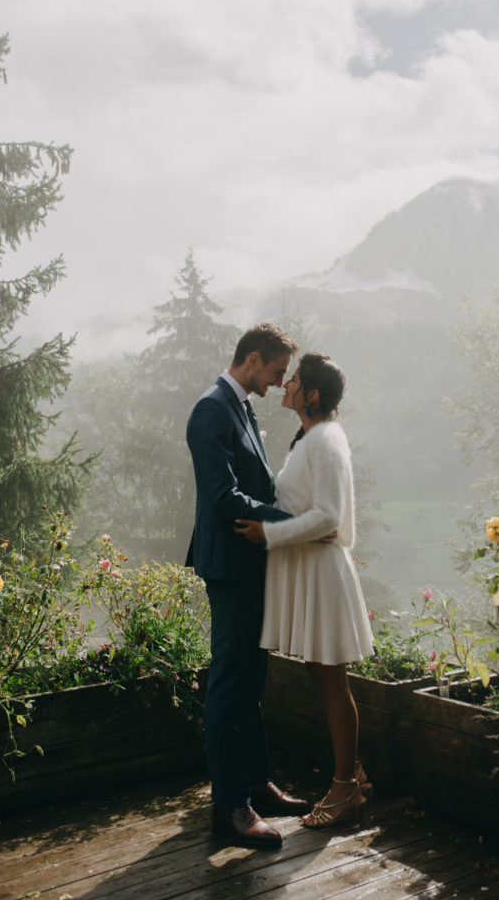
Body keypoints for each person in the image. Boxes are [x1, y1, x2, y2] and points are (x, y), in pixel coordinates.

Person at [235, 352, 374, 829]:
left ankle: (344, 790)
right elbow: (310, 510)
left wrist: (267, 533)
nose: (285, 385)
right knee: (324, 678)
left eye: (293, 380)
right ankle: (352, 775)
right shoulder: (310, 438)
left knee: (331, 682)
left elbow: (330, 516)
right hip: (310, 571)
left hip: (323, 575)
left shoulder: (327, 439)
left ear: (311, 394)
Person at [185, 323, 310, 849]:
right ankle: (229, 807)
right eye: (278, 372)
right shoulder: (211, 409)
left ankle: (257, 785)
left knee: (251, 681)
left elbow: (254, 480)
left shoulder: (242, 407)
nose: (280, 382)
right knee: (228, 685)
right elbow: (223, 495)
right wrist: (287, 519)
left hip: (251, 565)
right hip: (231, 567)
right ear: (253, 360)